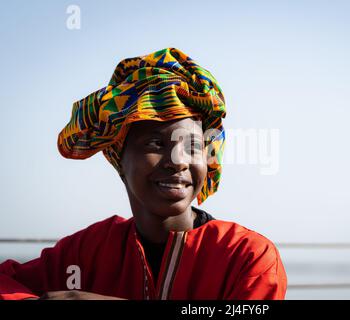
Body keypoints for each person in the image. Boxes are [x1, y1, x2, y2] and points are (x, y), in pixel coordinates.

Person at [0, 48, 287, 300]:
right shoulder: (86, 251)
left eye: (193, 146)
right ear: (118, 158)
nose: (178, 162)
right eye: (155, 143)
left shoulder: (246, 256)